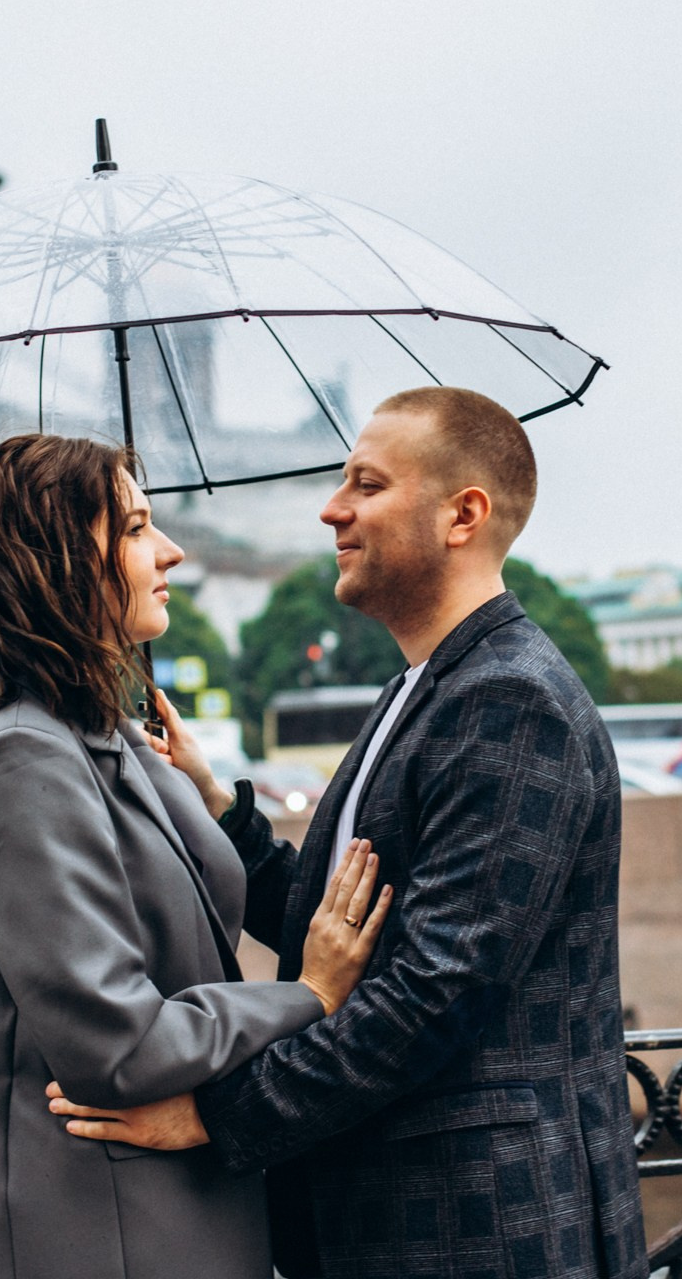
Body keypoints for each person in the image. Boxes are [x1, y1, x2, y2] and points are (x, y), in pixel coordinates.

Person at [49, 387, 648, 1279]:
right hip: (415, 1219)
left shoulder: (509, 700)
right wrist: (218, 807)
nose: (333, 509)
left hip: (479, 1227)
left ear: (463, 515)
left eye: (365, 485)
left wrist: (218, 1114)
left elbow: (431, 993)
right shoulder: (427, 685)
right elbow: (345, 924)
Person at [0, 433, 393, 1279]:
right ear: (61, 560)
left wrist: (198, 789)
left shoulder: (101, 735)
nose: (173, 550)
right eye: (138, 527)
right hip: (112, 1232)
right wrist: (309, 996)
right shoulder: (23, 755)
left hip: (180, 1207)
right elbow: (119, 1043)